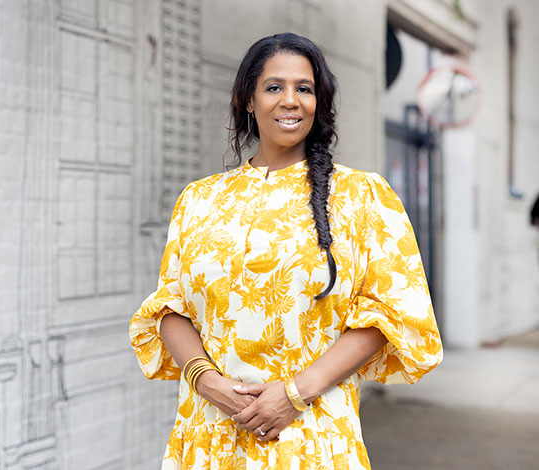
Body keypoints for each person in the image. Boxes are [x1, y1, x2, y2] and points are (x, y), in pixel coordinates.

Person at [130, 32, 442, 469]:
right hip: (210, 434)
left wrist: (294, 394)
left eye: (305, 89)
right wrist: (207, 383)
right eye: (274, 87)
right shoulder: (200, 199)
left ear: (319, 102)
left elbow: (390, 314)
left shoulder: (361, 196)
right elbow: (170, 308)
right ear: (248, 100)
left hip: (310, 434)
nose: (291, 100)